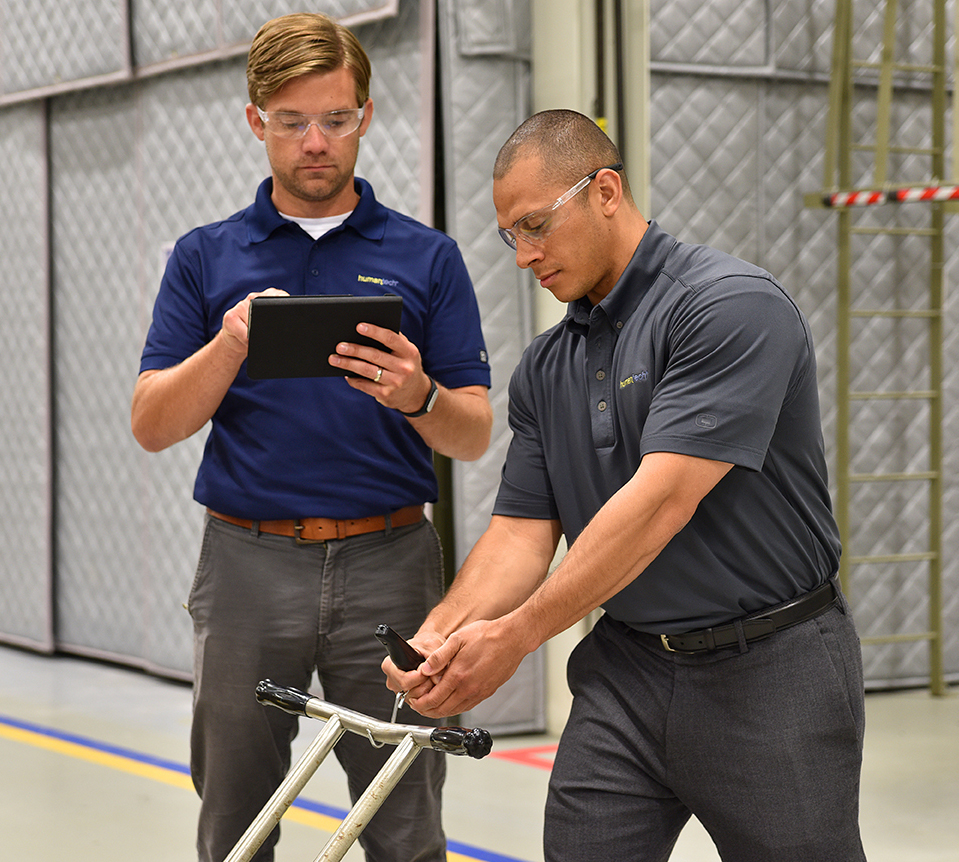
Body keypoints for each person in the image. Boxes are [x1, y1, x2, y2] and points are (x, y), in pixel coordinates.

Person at [383, 109, 866, 862]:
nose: (524, 255)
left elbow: (661, 503)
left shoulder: (729, 307)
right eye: (511, 234)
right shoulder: (546, 367)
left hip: (770, 668)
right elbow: (520, 531)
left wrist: (516, 637)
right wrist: (442, 634)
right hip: (629, 671)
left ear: (605, 190)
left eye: (537, 224)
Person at [131, 13, 492, 862]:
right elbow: (153, 423)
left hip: (392, 565)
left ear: (366, 115)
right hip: (247, 566)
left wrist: (419, 394)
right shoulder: (205, 258)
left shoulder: (427, 257)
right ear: (256, 121)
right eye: (292, 122)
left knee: (404, 819)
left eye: (335, 118)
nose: (316, 143)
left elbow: (472, 433)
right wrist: (227, 344)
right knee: (234, 821)